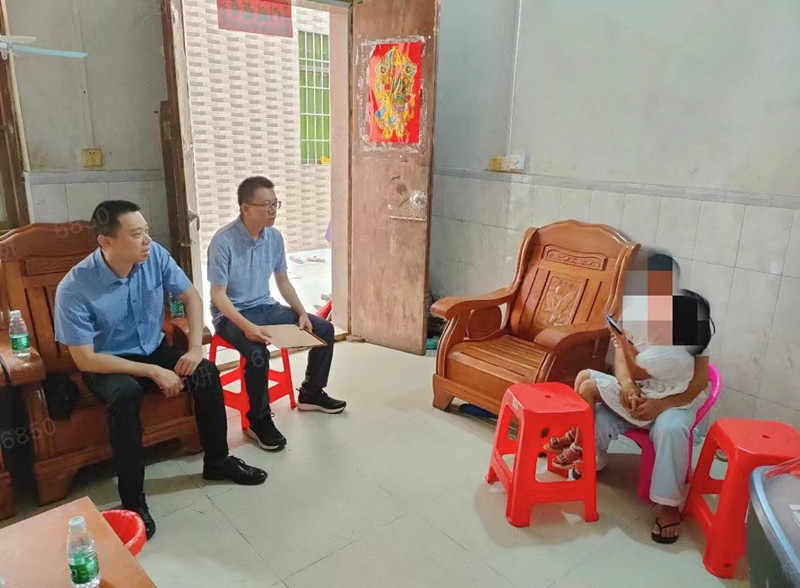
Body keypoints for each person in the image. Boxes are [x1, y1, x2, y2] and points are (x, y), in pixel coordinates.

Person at [55, 200, 267, 540]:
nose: (147, 241)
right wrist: (153, 372)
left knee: (206, 373)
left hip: (153, 348)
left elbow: (191, 297)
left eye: (147, 231)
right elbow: (86, 360)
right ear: (106, 241)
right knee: (126, 393)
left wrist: (195, 349)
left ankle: (218, 461)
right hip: (108, 363)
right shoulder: (75, 287)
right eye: (136, 234)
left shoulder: (154, 256)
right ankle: (132, 500)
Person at [548, 254, 714, 545]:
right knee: (591, 395)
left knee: (670, 429)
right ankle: (589, 453)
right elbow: (625, 362)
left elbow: (700, 380)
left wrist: (662, 404)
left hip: (677, 398)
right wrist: (626, 386)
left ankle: (668, 506)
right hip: (642, 390)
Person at [208, 176, 345, 453]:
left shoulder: (274, 237)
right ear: (245, 208)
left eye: (275, 204)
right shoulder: (223, 242)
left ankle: (311, 393)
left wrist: (301, 312)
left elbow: (282, 280)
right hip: (231, 314)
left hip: (265, 307)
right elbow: (218, 296)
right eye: (266, 205)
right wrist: (247, 327)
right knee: (257, 353)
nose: (272, 211)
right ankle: (258, 420)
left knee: (323, 329)